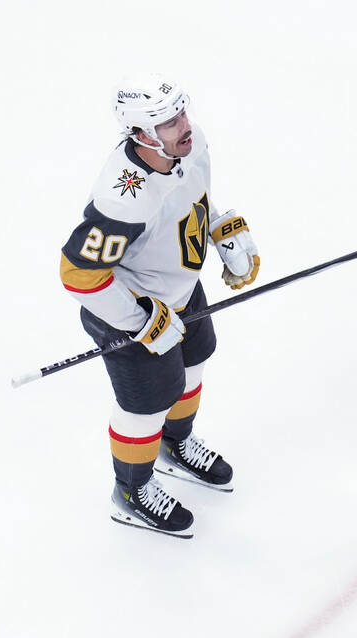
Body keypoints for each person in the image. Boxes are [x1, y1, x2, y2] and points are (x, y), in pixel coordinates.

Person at [59, 74, 259, 537]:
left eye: (182, 111)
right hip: (125, 312)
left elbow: (193, 197)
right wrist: (141, 321)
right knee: (144, 407)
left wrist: (219, 228)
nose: (183, 125)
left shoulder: (192, 145)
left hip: (180, 289)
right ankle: (131, 491)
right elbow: (78, 275)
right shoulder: (121, 199)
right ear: (141, 135)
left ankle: (175, 443)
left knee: (192, 365)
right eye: (168, 122)